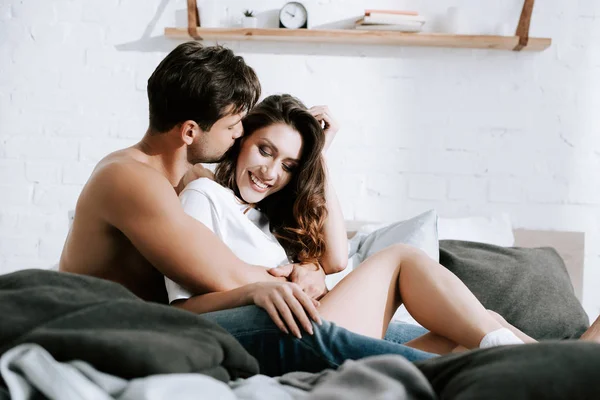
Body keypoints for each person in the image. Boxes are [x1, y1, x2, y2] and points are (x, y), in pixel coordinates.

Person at [58, 41, 440, 376]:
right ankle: (453, 369)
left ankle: (481, 353)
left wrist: (310, 266)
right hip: (114, 335)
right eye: (233, 125)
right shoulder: (128, 179)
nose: (241, 133)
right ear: (190, 131)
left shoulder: (189, 176)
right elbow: (227, 275)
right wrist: (304, 282)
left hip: (164, 327)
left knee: (431, 332)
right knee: (305, 319)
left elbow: (321, 256)